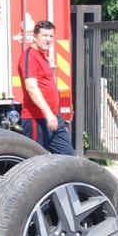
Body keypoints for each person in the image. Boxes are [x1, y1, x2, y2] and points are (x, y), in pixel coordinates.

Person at [18, 20, 74, 155]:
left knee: (67, 156)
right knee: (35, 161)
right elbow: (31, 87)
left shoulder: (43, 57)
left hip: (54, 117)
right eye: (44, 36)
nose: (48, 39)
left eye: (51, 36)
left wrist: (54, 115)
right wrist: (48, 113)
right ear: (35, 37)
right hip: (36, 119)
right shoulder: (29, 56)